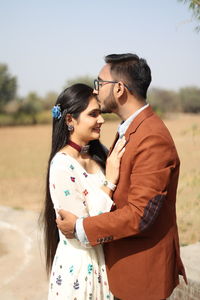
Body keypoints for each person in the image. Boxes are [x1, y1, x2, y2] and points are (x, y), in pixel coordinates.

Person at [56, 53, 187, 300]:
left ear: (118, 89)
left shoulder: (152, 138)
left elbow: (140, 214)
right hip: (123, 268)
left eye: (99, 84)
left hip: (141, 275)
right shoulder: (132, 128)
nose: (95, 93)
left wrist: (80, 227)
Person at [42, 83, 126, 300]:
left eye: (100, 113)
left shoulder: (99, 157)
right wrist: (110, 182)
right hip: (79, 271)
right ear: (70, 120)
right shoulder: (62, 165)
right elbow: (82, 232)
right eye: (93, 114)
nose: (101, 120)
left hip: (104, 265)